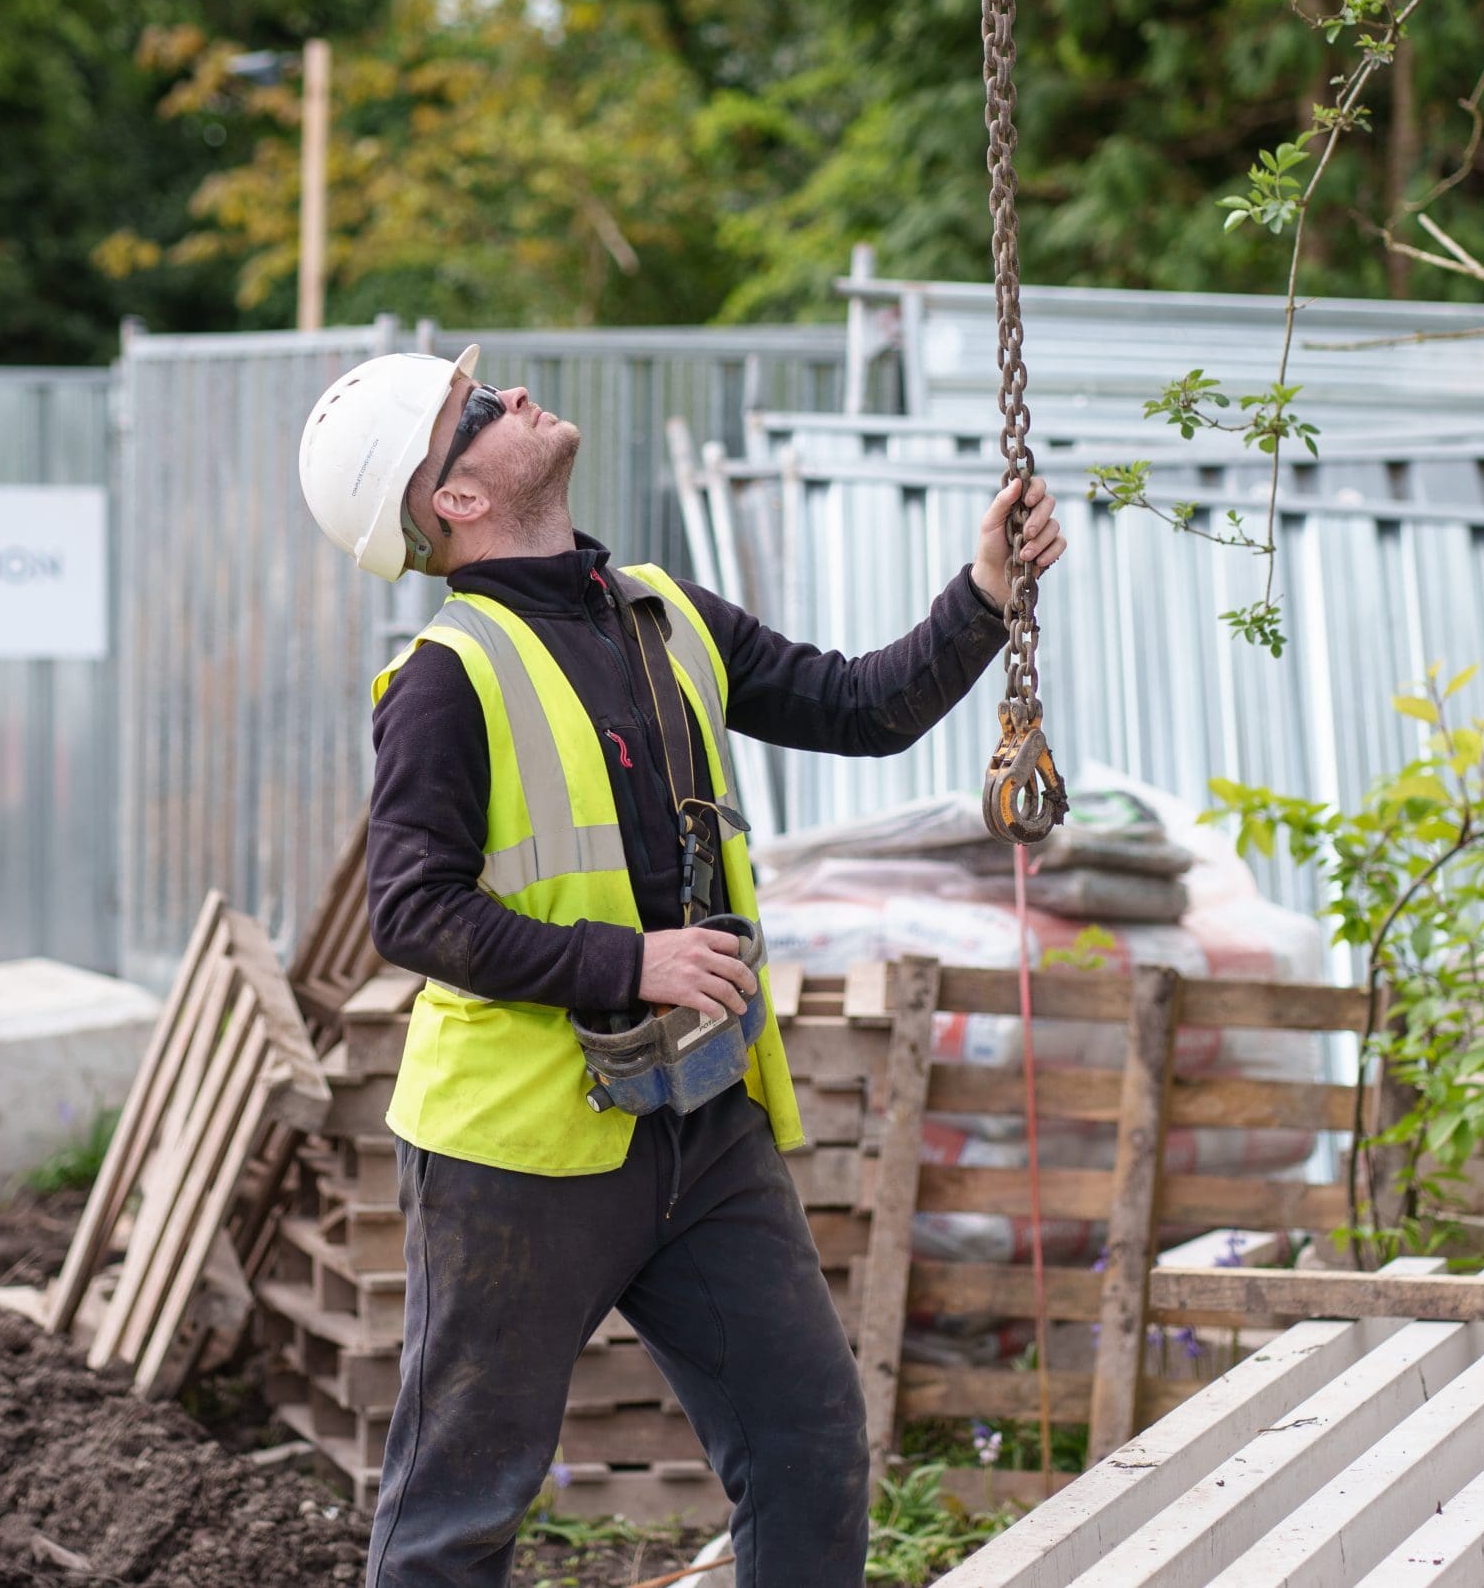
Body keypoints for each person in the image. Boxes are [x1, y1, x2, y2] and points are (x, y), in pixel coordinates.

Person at [295, 344, 1066, 1587]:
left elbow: (856, 707)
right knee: (460, 1512)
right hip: (516, 1153)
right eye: (477, 410)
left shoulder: (658, 610)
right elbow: (413, 913)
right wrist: (630, 960)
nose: (515, 396)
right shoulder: (446, 680)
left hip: (698, 1125)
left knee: (810, 1449)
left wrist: (982, 593)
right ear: (455, 499)